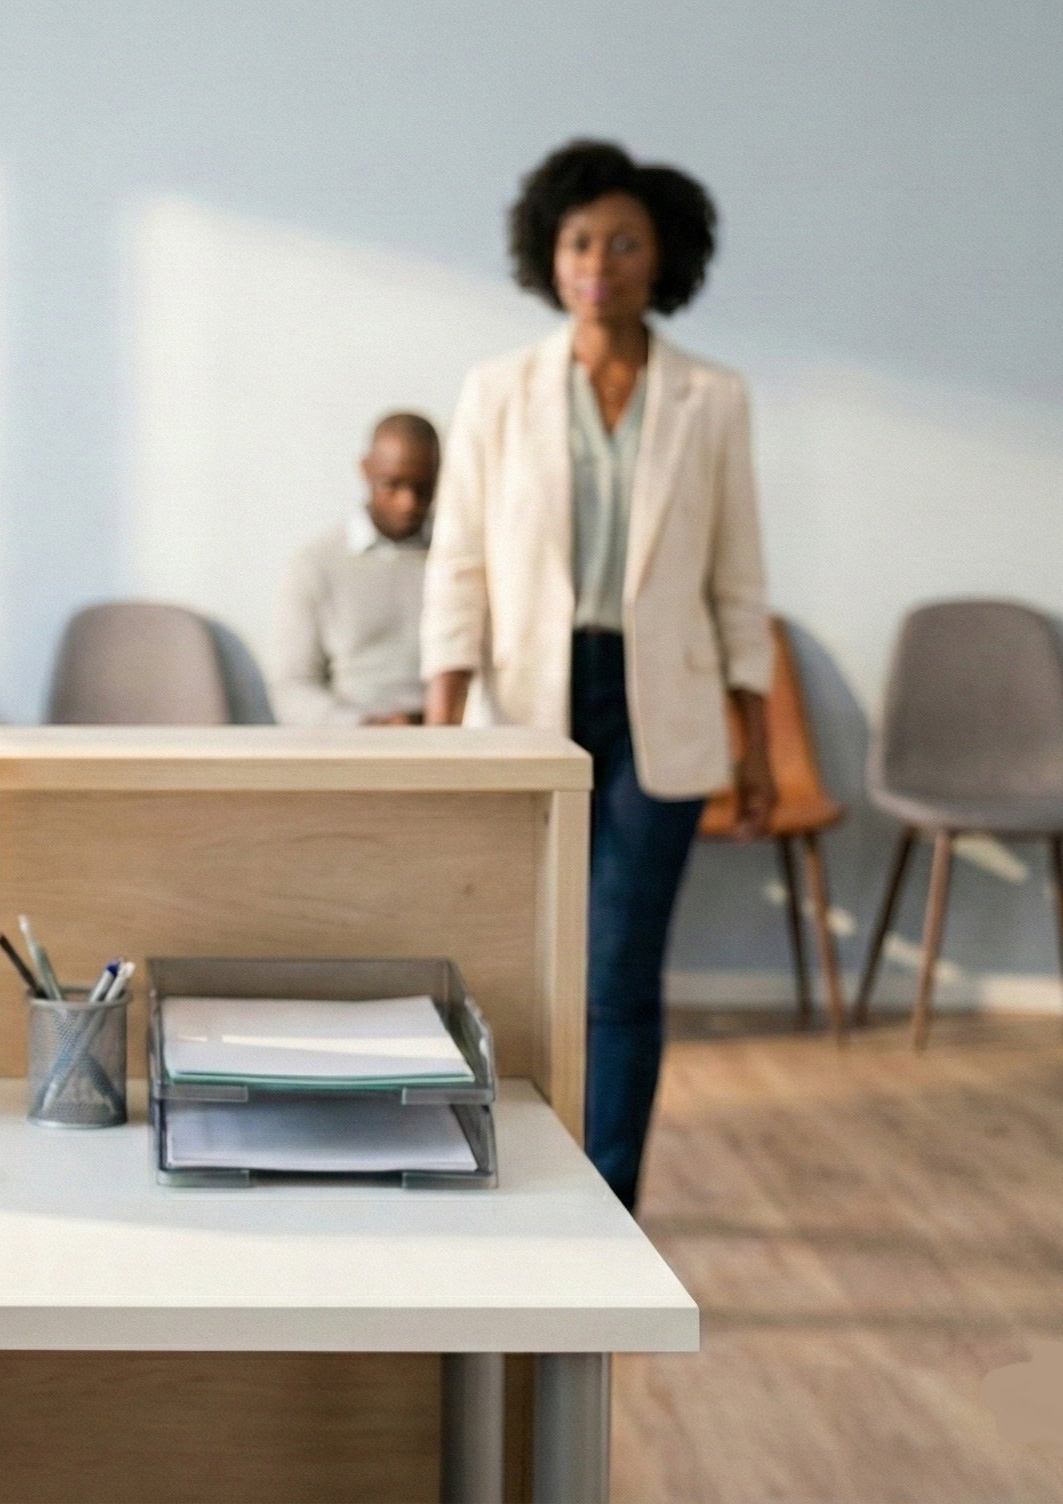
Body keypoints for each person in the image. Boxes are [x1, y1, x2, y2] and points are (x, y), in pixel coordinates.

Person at [419, 140, 773, 1210]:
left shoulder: (711, 398)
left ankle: (607, 1199)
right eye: (579, 241)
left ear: (662, 256)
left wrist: (752, 743)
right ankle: (508, 1178)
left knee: (618, 972)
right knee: (515, 961)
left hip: (655, 705)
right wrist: (444, 726)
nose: (599, 262)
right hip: (527, 699)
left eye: (623, 242)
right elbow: (460, 560)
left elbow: (738, 575)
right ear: (549, 252)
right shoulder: (498, 390)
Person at [267, 412, 440, 726]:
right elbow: (290, 690)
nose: (408, 503)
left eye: (423, 489)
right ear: (366, 469)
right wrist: (364, 726)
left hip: (450, 739)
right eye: (392, 485)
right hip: (352, 742)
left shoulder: (459, 560)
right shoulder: (315, 564)